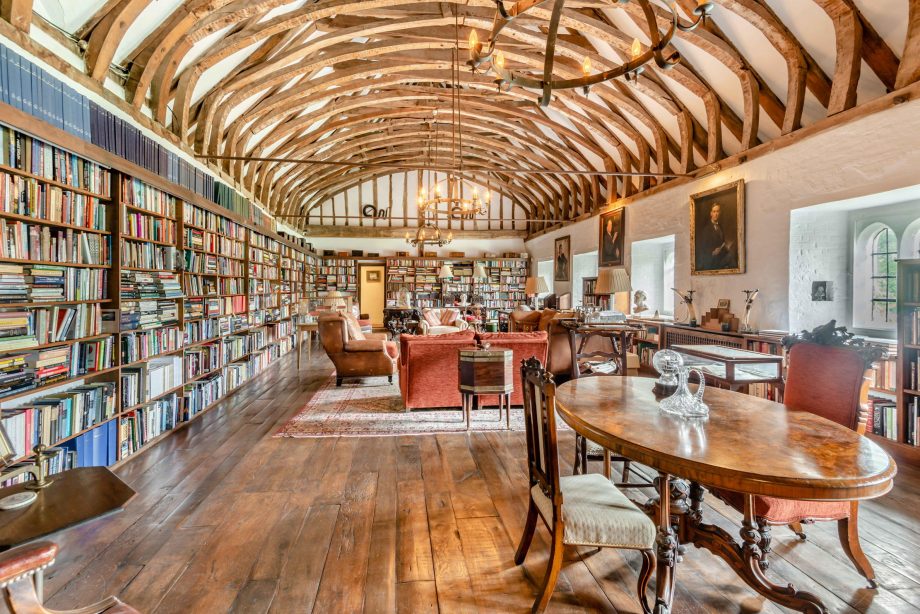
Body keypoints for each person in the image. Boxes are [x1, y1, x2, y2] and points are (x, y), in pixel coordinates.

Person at [697, 203, 737, 270]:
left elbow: (722, 242)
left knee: (732, 253)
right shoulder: (706, 229)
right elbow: (702, 248)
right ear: (711, 213)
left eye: (717, 211)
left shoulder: (720, 227)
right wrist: (712, 252)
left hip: (721, 257)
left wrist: (726, 247)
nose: (716, 214)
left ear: (720, 213)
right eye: (714, 211)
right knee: (731, 256)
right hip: (711, 261)